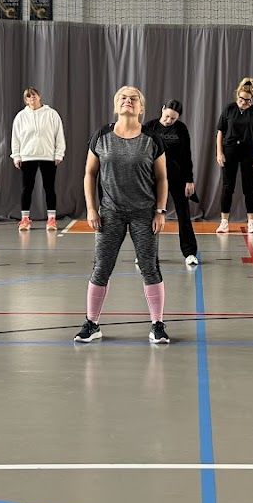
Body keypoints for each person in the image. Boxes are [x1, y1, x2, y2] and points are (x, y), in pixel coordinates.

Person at [73, 86, 170, 345]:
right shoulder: (101, 136)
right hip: (110, 213)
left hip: (144, 214)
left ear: (141, 108)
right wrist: (91, 209)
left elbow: (162, 178)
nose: (128, 101)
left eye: (133, 98)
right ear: (116, 105)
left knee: (150, 268)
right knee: (101, 267)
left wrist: (160, 211)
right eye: (123, 98)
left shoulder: (152, 139)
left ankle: (157, 325)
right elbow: (89, 174)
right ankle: (92, 324)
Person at [143, 99, 199, 266]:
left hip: (177, 177)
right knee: (150, 215)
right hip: (153, 178)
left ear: (178, 118)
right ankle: (147, 254)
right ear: (162, 110)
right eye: (167, 116)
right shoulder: (150, 127)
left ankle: (190, 253)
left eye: (173, 118)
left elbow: (186, 156)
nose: (169, 121)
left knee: (184, 215)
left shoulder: (181, 129)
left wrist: (189, 180)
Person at [10, 87, 65, 231]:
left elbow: (59, 135)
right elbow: (15, 137)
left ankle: (51, 219)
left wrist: (59, 154)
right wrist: (16, 156)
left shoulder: (51, 114)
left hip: (48, 156)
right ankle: (25, 219)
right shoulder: (21, 116)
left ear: (39, 96)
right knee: (27, 189)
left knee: (49, 188)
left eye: (34, 95)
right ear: (26, 100)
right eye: (28, 96)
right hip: (28, 157)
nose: (32, 98)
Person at [215, 77, 253, 234]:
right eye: (241, 99)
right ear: (238, 95)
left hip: (248, 151)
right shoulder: (229, 109)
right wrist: (219, 153)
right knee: (227, 186)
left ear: (251, 99)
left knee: (248, 187)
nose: (243, 102)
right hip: (229, 150)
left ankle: (251, 222)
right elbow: (220, 132)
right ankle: (224, 222)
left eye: (247, 100)